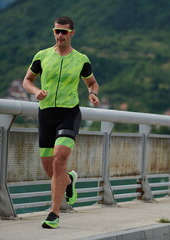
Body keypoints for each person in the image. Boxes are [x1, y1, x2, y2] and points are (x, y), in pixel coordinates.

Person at [22, 16, 100, 229]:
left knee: (59, 159)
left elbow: (92, 82)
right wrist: (36, 91)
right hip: (46, 114)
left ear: (72, 33)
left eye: (64, 32)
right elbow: (27, 80)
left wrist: (92, 93)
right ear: (53, 32)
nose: (60, 35)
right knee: (50, 169)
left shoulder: (81, 59)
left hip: (69, 113)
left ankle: (54, 213)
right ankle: (69, 180)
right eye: (57, 31)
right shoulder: (42, 56)